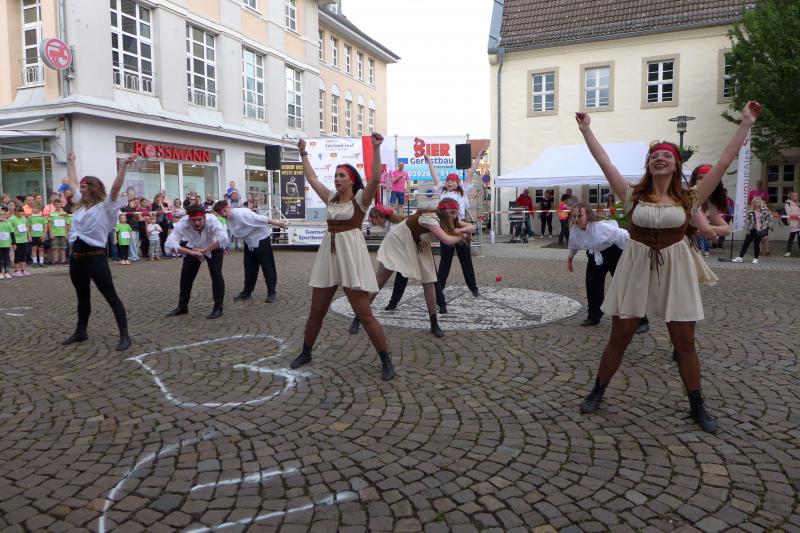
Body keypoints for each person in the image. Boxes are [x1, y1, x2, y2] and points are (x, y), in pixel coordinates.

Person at [574, 100, 761, 433]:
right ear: (649, 165)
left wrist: (745, 123)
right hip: (635, 266)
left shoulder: (689, 197)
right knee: (619, 337)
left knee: (684, 343)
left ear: (676, 164)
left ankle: (697, 404)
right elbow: (604, 161)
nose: (659, 158)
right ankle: (597, 391)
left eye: (666, 155)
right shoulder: (632, 194)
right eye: (654, 156)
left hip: (676, 266)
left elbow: (723, 161)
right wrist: (587, 129)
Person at [290, 133, 396, 381]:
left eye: (341, 175)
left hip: (350, 257)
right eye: (336, 175)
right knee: (316, 311)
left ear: (351, 180)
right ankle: (306, 352)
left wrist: (376, 148)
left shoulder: (361, 199)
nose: (337, 179)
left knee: (364, 315)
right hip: (328, 256)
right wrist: (303, 153)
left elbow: (376, 178)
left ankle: (386, 360)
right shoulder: (331, 198)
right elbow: (312, 178)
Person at [350, 198, 473, 338]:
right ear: (443, 211)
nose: (455, 216)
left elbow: (472, 227)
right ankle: (358, 318)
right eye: (451, 212)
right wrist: (462, 234)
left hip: (419, 244)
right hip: (397, 242)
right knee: (379, 283)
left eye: (456, 212)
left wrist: (460, 229)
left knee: (429, 282)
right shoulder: (429, 219)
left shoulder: (450, 219)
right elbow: (447, 240)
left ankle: (434, 324)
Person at [63, 152, 135, 351]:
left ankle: (124, 335)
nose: (79, 190)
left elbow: (115, 188)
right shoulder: (81, 205)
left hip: (96, 258)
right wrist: (71, 162)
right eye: (81, 187)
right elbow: (73, 182)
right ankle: (81, 331)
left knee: (110, 295)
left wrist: (123, 165)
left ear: (93, 188)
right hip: (77, 259)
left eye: (84, 187)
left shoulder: (106, 207)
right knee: (82, 296)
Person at [567, 203, 649, 333]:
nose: (576, 219)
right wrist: (570, 260)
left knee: (626, 286)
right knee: (592, 284)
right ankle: (594, 316)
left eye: (580, 216)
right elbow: (573, 245)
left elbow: (623, 235)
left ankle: (641, 320)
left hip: (614, 253)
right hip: (595, 255)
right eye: (574, 216)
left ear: (588, 215)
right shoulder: (574, 229)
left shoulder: (601, 227)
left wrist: (634, 253)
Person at [424, 145, 483, 311]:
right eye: (448, 180)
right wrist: (429, 162)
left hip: (460, 224)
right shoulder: (442, 191)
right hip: (446, 226)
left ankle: (473, 288)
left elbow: (470, 173)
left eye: (453, 180)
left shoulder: (462, 191)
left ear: (458, 183)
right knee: (445, 261)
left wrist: (478, 157)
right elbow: (435, 175)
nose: (449, 182)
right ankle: (439, 289)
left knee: (466, 260)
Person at [214, 200, 288, 303]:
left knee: (267, 266)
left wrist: (279, 224)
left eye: (224, 211)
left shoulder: (242, 213)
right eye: (221, 213)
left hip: (261, 239)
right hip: (249, 242)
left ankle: (272, 292)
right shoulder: (229, 218)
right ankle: (247, 292)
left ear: (228, 207)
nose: (224, 214)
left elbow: (262, 219)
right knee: (249, 267)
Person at [164, 205, 228, 319]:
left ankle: (218, 308)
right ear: (188, 218)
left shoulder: (213, 220)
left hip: (213, 247)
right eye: (193, 220)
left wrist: (206, 249)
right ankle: (182, 306)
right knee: (186, 276)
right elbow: (169, 244)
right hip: (193, 247)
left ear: (204, 217)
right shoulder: (182, 223)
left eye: (199, 220)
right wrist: (190, 252)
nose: (197, 223)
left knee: (216, 274)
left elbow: (223, 238)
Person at [732, 196, 771, 264]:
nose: (757, 203)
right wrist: (754, 226)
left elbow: (767, 220)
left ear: (760, 203)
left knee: (756, 244)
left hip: (760, 230)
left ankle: (756, 258)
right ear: (753, 203)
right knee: (746, 243)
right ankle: (740, 257)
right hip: (752, 229)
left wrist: (762, 227)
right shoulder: (750, 211)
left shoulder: (765, 210)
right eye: (755, 202)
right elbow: (748, 221)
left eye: (758, 202)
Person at [8, 206, 30, 276]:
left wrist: (28, 236)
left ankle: (23, 269)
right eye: (19, 211)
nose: (21, 213)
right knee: (17, 255)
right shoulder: (11, 219)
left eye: (22, 211)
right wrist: (12, 241)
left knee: (23, 255)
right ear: (15, 212)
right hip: (16, 240)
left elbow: (26, 227)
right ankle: (16, 270)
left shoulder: (24, 218)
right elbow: (10, 230)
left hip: (24, 239)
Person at [47, 199, 69, 265]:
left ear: (61, 205)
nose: (58, 206)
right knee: (55, 248)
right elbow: (50, 225)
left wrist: (67, 234)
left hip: (63, 233)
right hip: (55, 233)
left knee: (63, 248)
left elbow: (66, 224)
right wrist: (51, 233)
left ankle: (63, 260)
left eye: (59, 204)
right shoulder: (52, 214)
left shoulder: (64, 214)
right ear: (54, 205)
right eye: (56, 204)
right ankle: (55, 260)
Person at [784, 192, 799, 256]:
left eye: (797, 195)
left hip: (799, 221)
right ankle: (788, 251)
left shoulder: (798, 203)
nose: (796, 196)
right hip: (793, 222)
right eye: (795, 195)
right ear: (791, 196)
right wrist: (798, 214)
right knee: (792, 236)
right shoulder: (788, 203)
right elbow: (789, 213)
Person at [0, 207, 14, 279]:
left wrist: (14, 243)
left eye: (4, 214)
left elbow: (12, 233)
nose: (2, 216)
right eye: (1, 214)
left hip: (6, 244)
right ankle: (0, 273)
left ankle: (6, 272)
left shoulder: (8, 222)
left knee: (6, 258)